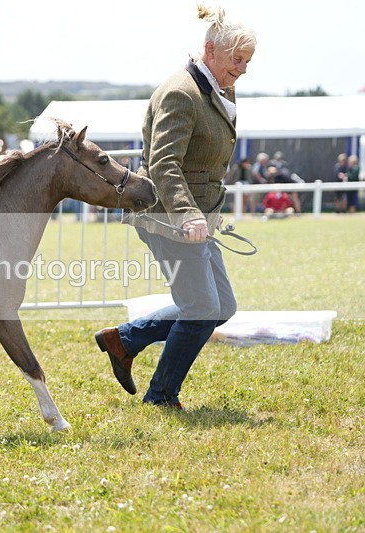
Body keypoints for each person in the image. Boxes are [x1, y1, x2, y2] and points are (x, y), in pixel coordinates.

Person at [94, 4, 255, 410]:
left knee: (222, 306)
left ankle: (125, 339)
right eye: (237, 59)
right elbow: (164, 163)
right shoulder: (181, 92)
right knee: (202, 308)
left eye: (247, 61)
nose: (242, 69)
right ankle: (161, 395)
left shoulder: (218, 87)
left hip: (197, 218)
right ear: (210, 50)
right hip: (168, 218)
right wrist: (188, 213)